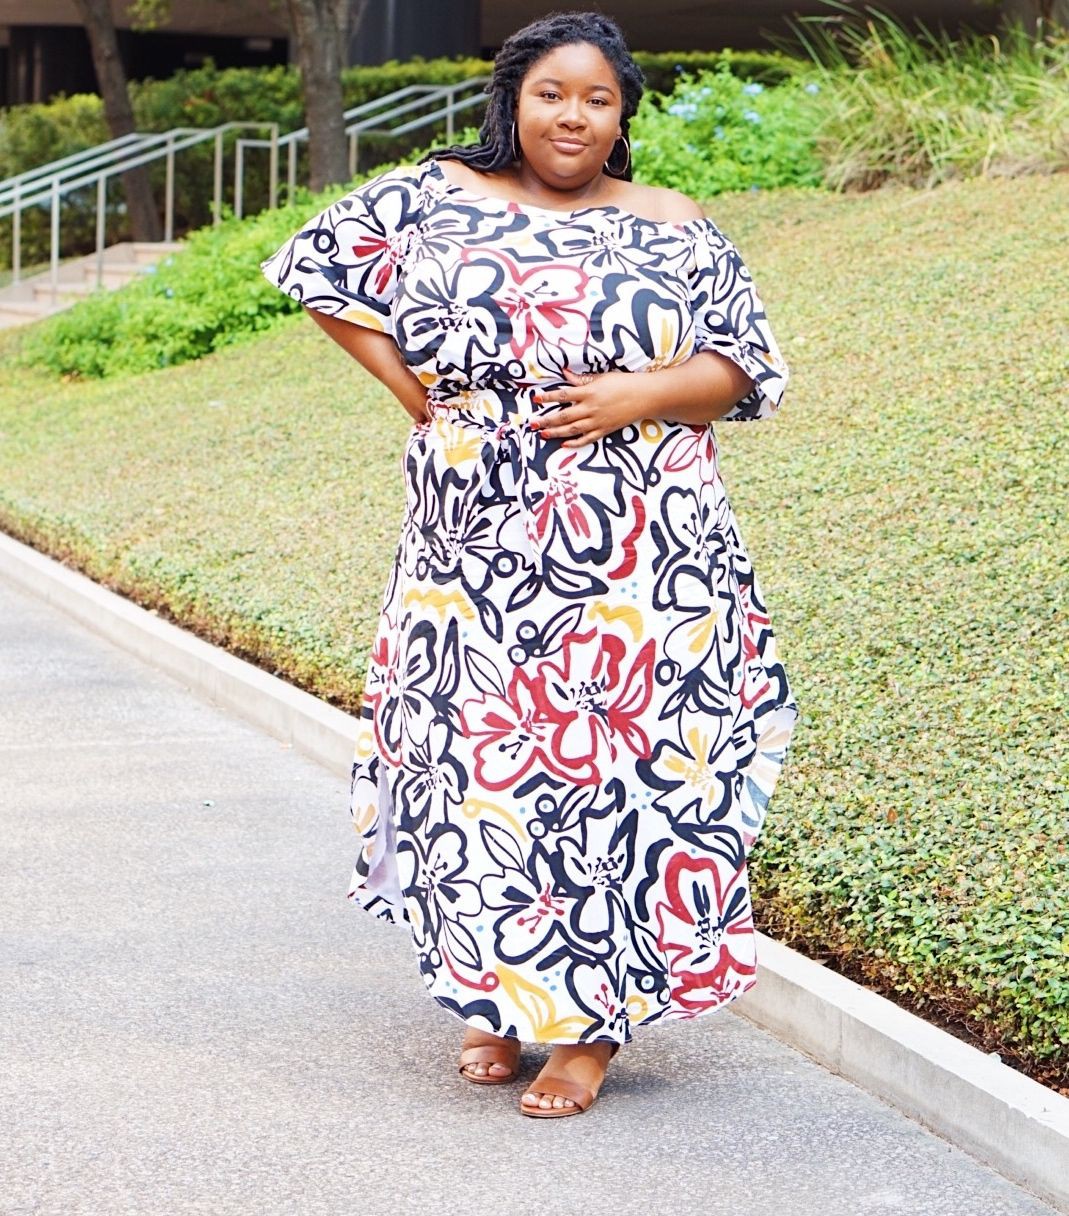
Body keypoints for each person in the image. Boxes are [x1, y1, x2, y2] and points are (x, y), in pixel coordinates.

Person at [261, 10, 796, 1119]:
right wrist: (423, 395)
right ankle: (496, 992)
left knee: (615, 773)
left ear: (621, 118)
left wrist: (635, 395)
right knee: (479, 766)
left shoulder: (670, 223)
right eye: (554, 92)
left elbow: (744, 367)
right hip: (471, 551)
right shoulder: (435, 195)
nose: (574, 116)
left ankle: (590, 1031)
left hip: (643, 554)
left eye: (598, 100)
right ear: (512, 98)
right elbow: (317, 272)